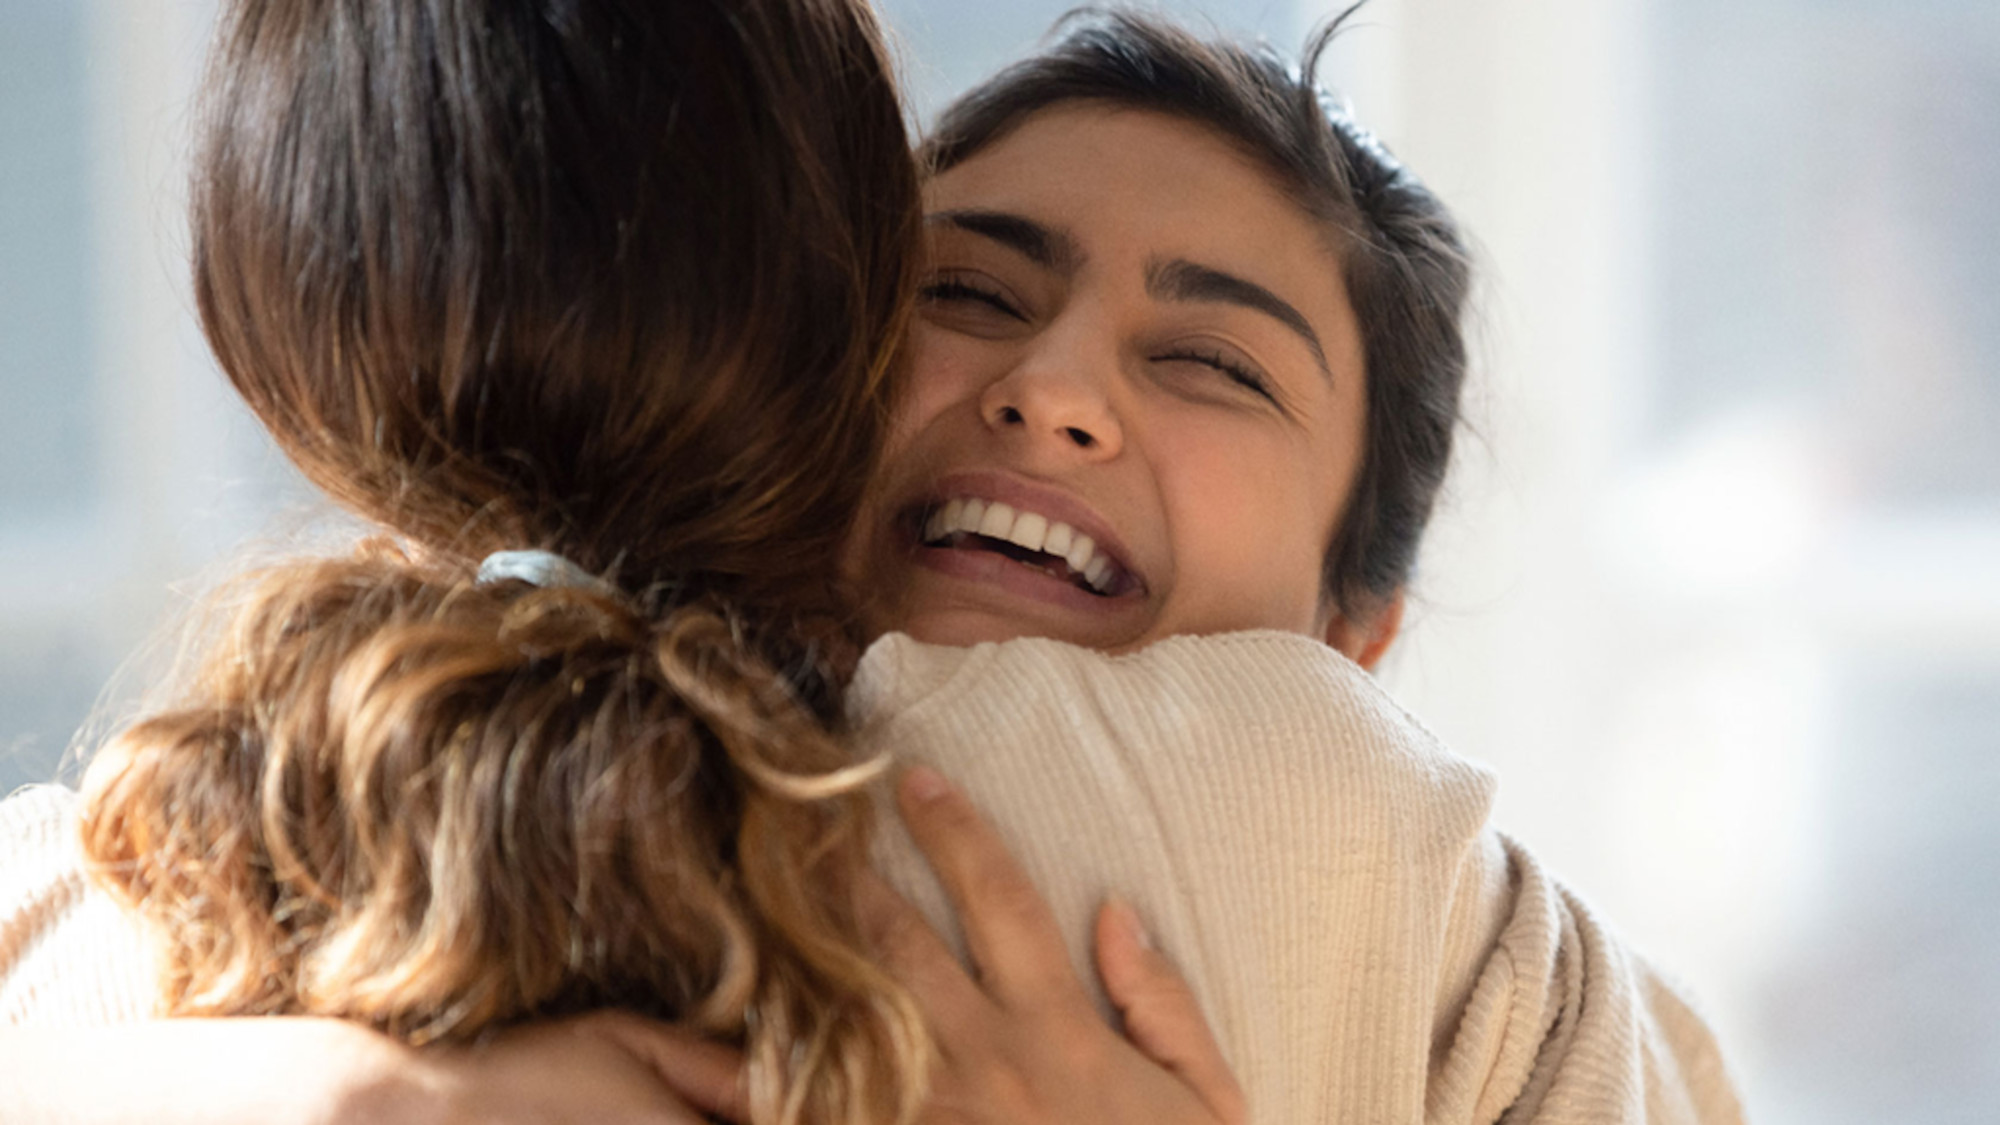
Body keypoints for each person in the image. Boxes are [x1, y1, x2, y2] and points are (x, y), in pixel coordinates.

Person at [2, 7, 1746, 1125]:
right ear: (791, 362)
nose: (1052, 391)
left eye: (1212, 364)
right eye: (970, 290)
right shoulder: (198, 827)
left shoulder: (1465, 937)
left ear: (1353, 629)